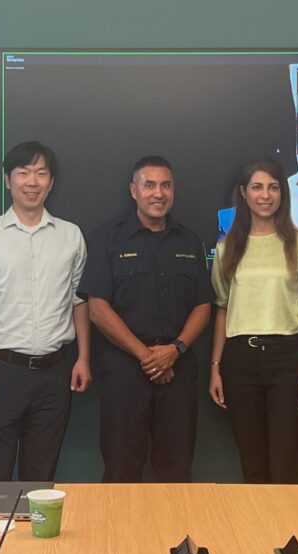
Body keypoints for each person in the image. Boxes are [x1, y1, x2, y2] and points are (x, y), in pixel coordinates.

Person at [0, 141, 90, 481]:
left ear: (51, 182)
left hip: (55, 372)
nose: (32, 182)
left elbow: (78, 300)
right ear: (8, 180)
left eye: (41, 173)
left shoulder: (71, 236)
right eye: (23, 173)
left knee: (41, 478)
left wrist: (83, 358)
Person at [78, 156, 213, 482]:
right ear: (133, 190)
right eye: (149, 184)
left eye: (165, 185)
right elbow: (97, 308)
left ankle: (177, 534)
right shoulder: (109, 238)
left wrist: (174, 351)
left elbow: (203, 305)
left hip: (178, 367)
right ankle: (122, 536)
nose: (158, 193)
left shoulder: (189, 241)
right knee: (122, 468)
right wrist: (148, 357)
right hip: (126, 370)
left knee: (177, 468)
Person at [209, 158, 298, 484]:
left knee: (286, 466)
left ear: (282, 193)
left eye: (273, 187)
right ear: (244, 194)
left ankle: (289, 536)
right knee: (253, 465)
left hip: (288, 359)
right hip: (239, 361)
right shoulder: (227, 247)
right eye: (258, 187)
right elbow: (221, 309)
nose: (266, 195)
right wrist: (215, 367)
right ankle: (258, 536)